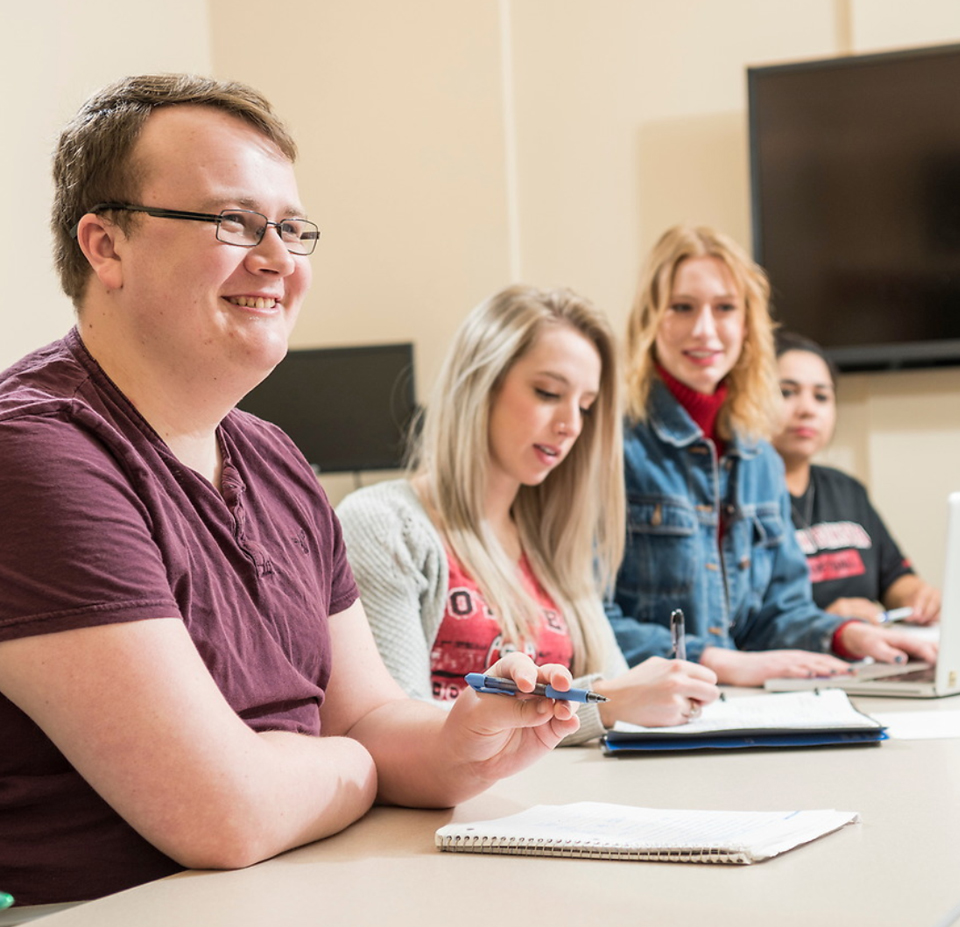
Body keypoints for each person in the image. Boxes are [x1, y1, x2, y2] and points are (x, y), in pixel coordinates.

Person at [0, 75, 581, 908]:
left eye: (293, 228)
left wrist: (462, 740)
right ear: (106, 245)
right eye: (233, 222)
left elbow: (369, 717)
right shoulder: (36, 453)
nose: (276, 258)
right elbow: (224, 810)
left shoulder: (273, 459)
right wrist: (350, 765)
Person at [337, 284, 719, 743]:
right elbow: (394, 725)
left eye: (585, 406)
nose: (571, 425)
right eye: (547, 392)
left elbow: (615, 683)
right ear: (480, 384)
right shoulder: (382, 524)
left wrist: (643, 698)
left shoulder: (552, 541)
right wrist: (605, 701)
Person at [608, 225, 936, 687]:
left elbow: (778, 613)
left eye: (725, 308)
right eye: (682, 307)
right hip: (647, 717)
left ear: (747, 324)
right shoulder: (611, 447)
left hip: (740, 711)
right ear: (650, 318)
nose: (705, 329)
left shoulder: (760, 457)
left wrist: (848, 635)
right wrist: (721, 661)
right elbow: (588, 621)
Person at [772, 331, 940, 624]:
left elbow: (895, 578)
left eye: (822, 396)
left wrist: (916, 596)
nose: (807, 410)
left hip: (868, 656)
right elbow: (740, 623)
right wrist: (825, 623)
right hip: (793, 660)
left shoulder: (847, 490)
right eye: (787, 392)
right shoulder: (736, 498)